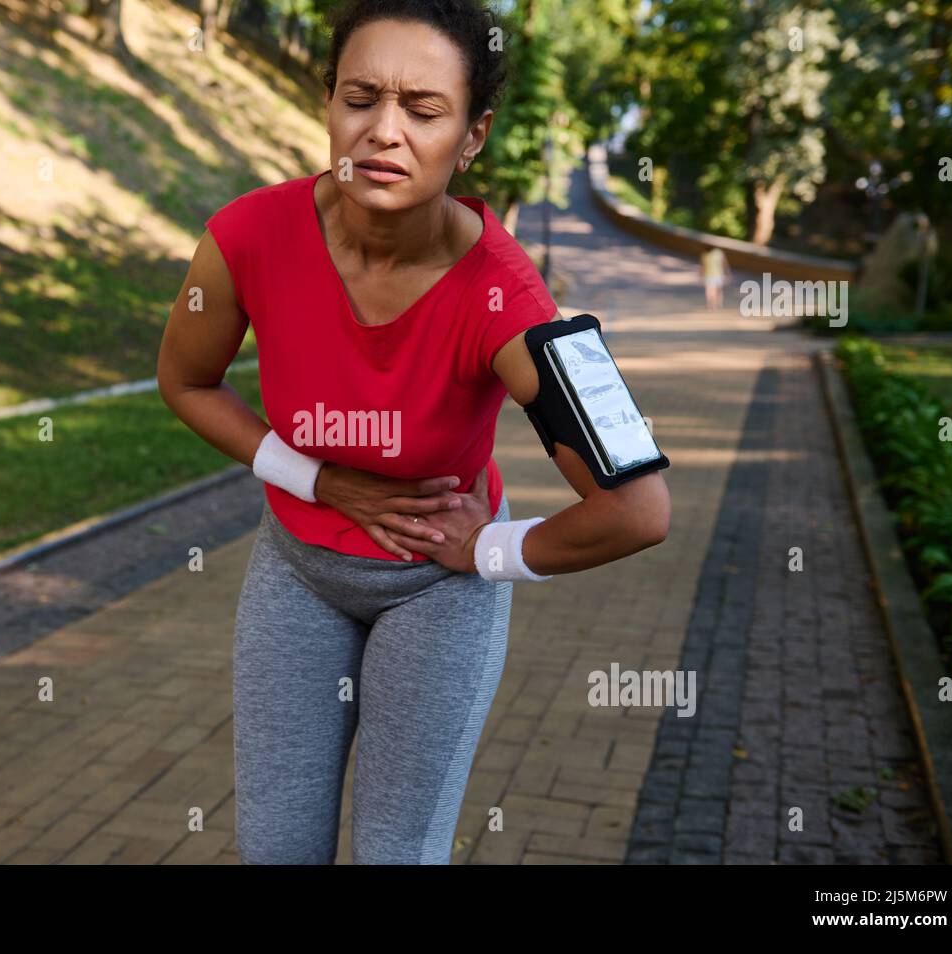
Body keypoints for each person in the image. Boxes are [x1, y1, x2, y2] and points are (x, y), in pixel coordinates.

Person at [156, 0, 671, 864]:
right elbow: (185, 380)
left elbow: (639, 509)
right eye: (360, 98)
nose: (383, 132)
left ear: (472, 137)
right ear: (328, 107)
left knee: (398, 851)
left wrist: (490, 551)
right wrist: (320, 481)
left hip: (437, 592)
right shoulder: (247, 236)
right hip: (297, 569)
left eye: (424, 110)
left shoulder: (509, 297)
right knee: (275, 845)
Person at [700, 246, 730, 310]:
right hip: (718, 274)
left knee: (709, 290)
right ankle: (718, 304)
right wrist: (727, 272)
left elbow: (703, 266)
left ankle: (710, 304)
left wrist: (701, 274)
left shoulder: (705, 254)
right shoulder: (719, 253)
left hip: (708, 275)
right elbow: (724, 263)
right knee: (718, 290)